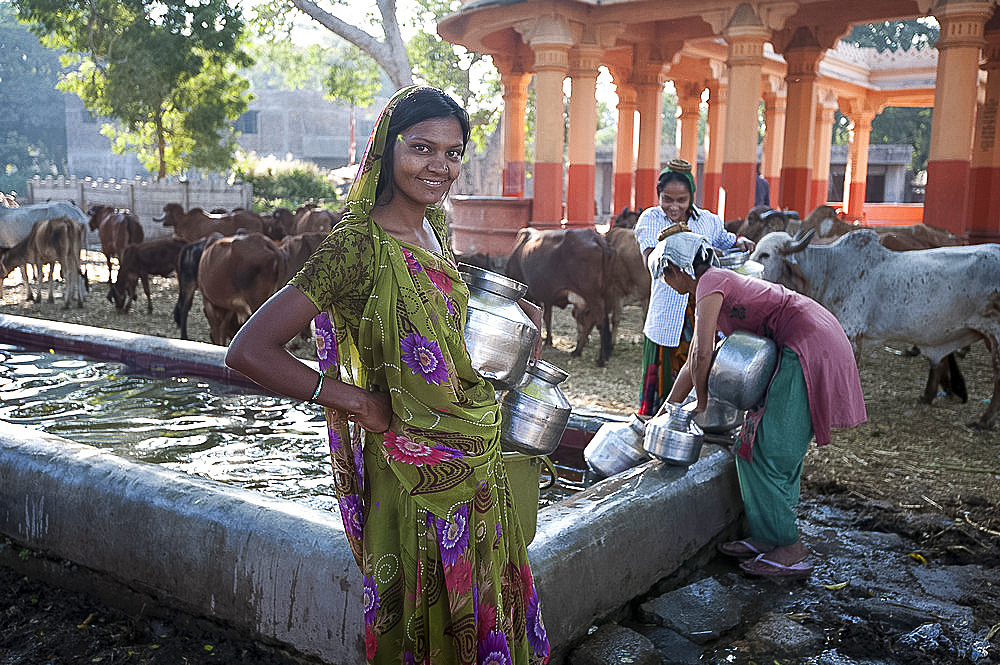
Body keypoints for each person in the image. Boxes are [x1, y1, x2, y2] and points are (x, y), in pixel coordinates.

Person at [226, 86, 550, 664]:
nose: (440, 166)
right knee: (427, 628)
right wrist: (355, 400)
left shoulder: (434, 230)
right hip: (412, 475)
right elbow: (250, 349)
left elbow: (429, 320)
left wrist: (507, 315)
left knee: (483, 614)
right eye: (422, 147)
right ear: (385, 149)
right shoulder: (355, 247)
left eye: (453, 153)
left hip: (474, 454)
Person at [651, 226, 867, 579]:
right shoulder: (713, 287)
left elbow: (702, 352)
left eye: (665, 277)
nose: (666, 285)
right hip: (799, 343)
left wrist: (700, 404)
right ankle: (769, 538)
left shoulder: (709, 282)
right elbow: (697, 360)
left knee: (772, 449)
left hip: (807, 343)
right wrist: (667, 411)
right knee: (749, 446)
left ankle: (791, 550)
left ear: (677, 269)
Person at [633, 158, 754, 416]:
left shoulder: (708, 220)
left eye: (681, 200)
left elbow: (728, 240)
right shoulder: (651, 219)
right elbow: (651, 261)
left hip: (704, 309)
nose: (673, 207)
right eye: (667, 199)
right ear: (659, 196)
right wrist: (677, 248)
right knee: (663, 386)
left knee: (701, 365)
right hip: (668, 314)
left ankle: (693, 424)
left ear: (691, 198)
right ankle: (656, 425)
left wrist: (742, 241)